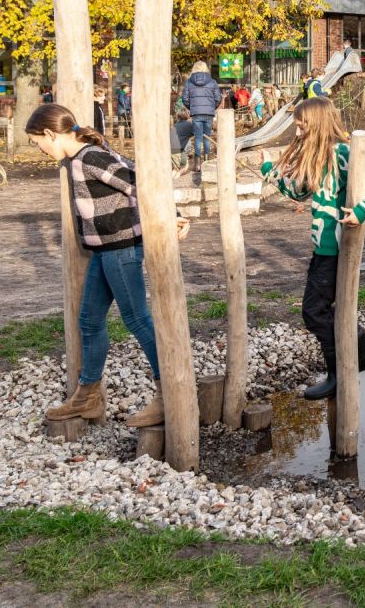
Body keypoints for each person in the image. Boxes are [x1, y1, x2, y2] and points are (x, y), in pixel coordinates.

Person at [25, 103, 189, 429]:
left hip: (121, 249)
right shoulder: (81, 157)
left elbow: (139, 182)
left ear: (49, 134)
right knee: (89, 321)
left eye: (37, 142)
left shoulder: (90, 158)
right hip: (104, 251)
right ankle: (88, 396)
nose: (39, 150)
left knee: (137, 320)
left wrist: (172, 216)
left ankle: (169, 393)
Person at [260, 98, 365, 400]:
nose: (298, 131)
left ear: (315, 124)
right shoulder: (316, 157)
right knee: (327, 308)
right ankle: (364, 356)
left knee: (314, 312)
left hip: (335, 248)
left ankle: (340, 373)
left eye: (302, 125)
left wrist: (362, 210)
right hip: (322, 249)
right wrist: (268, 168)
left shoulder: (342, 153)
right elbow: (298, 191)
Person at [180, 61, 221, 170]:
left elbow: (184, 98)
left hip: (196, 113)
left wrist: (192, 108)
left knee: (198, 137)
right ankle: (206, 161)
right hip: (208, 113)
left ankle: (197, 164)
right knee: (207, 137)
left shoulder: (189, 82)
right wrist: (212, 108)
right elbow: (218, 98)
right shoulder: (212, 82)